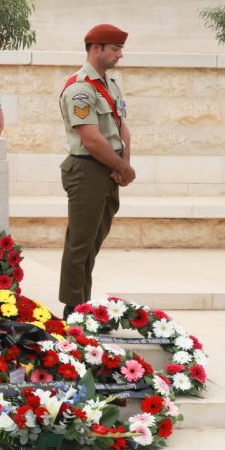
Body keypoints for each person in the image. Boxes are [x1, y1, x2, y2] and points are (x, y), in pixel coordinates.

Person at [58, 23, 135, 318]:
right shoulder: (80, 89)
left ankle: (83, 304)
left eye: (120, 48)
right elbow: (90, 138)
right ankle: (72, 309)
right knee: (80, 243)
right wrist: (121, 167)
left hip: (108, 169)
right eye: (115, 49)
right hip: (88, 170)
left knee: (93, 241)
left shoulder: (110, 85)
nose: (121, 55)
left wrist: (123, 164)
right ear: (96, 48)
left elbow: (121, 126)